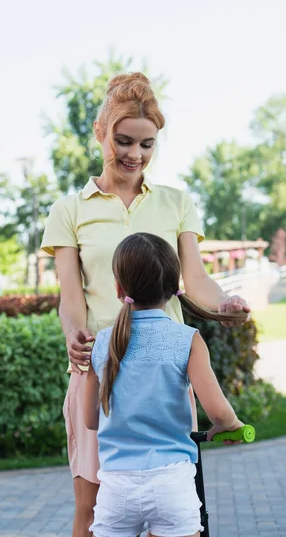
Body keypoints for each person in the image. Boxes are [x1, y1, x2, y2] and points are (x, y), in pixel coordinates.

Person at [41, 72, 250, 536]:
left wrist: (226, 302)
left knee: (172, 512)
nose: (135, 155)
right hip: (101, 372)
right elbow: (70, 299)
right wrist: (74, 337)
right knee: (92, 513)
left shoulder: (177, 203)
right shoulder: (69, 211)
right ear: (101, 134)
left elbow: (194, 279)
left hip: (162, 378)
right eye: (123, 141)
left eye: (147, 144)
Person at [84, 232, 245, 537]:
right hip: (172, 483)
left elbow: (90, 420)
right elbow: (219, 413)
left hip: (116, 487)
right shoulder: (188, 340)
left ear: (119, 288)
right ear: (174, 290)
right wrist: (230, 426)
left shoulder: (101, 344)